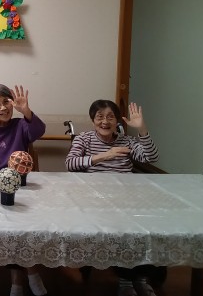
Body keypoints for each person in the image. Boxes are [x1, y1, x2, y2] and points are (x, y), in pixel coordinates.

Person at [65, 99, 159, 296]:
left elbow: (150, 157)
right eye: (100, 117)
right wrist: (105, 155)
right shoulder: (84, 139)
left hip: (126, 197)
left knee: (146, 229)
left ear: (117, 121)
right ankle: (125, 280)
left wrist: (142, 129)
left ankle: (140, 278)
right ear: (93, 120)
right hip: (94, 198)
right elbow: (70, 163)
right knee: (119, 232)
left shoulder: (126, 141)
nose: (105, 122)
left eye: (110, 117)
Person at [0, 83, 49, 296]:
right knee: (8, 228)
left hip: (19, 186)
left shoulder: (21, 125)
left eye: (6, 102)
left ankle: (23, 278)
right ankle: (25, 276)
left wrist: (26, 111)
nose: (3, 107)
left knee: (23, 225)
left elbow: (39, 131)